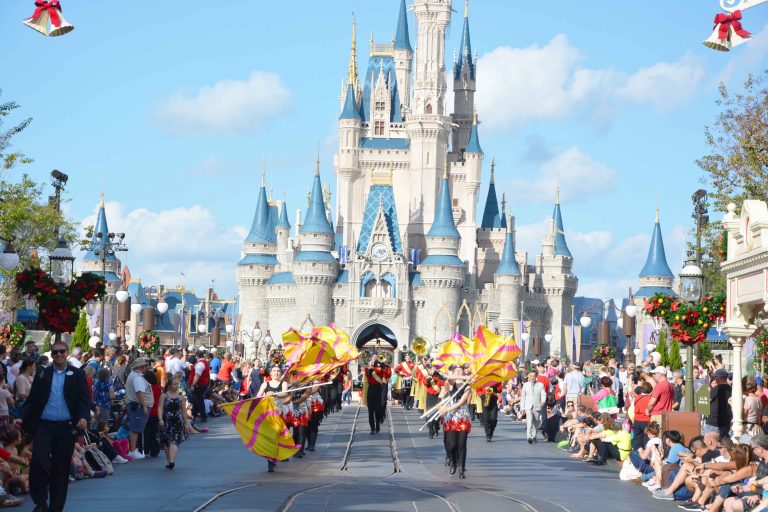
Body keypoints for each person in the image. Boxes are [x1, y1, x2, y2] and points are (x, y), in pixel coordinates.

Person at [16, 339, 91, 512]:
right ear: (52, 354)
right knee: (39, 462)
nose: (59, 355)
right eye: (55, 352)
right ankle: (40, 502)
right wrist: (22, 417)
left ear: (67, 353)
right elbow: (33, 399)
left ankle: (56, 506)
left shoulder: (77, 374)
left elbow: (84, 400)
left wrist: (84, 417)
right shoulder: (44, 373)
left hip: (66, 427)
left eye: (62, 351)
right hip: (44, 426)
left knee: (61, 467)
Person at [439, 366, 471, 478]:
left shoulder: (467, 386)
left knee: (461, 444)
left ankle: (461, 468)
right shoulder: (451, 383)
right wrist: (463, 376)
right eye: (456, 371)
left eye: (460, 371)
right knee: (452, 445)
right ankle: (453, 461)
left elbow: (462, 402)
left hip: (462, 417)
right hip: (451, 417)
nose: (458, 373)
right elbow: (448, 377)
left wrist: (446, 409)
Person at [157, 376, 191, 469]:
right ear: (170, 385)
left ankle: (172, 461)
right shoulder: (164, 395)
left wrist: (186, 422)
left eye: (178, 384)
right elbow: (160, 407)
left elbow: (184, 411)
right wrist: (160, 419)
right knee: (166, 443)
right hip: (166, 420)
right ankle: (169, 462)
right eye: (175, 384)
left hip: (177, 420)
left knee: (175, 441)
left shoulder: (181, 396)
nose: (177, 386)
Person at [124, 357, 153, 460]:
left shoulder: (134, 375)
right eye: (145, 366)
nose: (147, 368)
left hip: (135, 405)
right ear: (141, 367)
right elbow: (139, 393)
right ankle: (132, 450)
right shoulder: (137, 378)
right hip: (138, 406)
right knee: (135, 429)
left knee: (135, 428)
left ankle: (133, 450)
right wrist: (144, 406)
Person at [518, 369, 546, 444]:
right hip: (528, 406)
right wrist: (522, 408)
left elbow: (543, 394)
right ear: (528, 377)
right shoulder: (525, 385)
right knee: (529, 421)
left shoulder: (540, 385)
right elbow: (523, 397)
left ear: (536, 376)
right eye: (531, 376)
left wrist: (543, 402)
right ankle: (529, 437)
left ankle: (534, 435)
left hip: (537, 406)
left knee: (536, 422)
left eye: (534, 376)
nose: (532, 378)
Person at [705, 368, 732, 439]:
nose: (715, 378)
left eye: (715, 377)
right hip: (726, 421)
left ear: (719, 377)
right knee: (723, 444)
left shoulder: (717, 389)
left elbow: (707, 401)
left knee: (709, 442)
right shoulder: (731, 389)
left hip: (714, 421)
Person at [365, 355, 387, 435]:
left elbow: (385, 372)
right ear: (371, 359)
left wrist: (381, 364)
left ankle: (377, 424)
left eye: (375, 358)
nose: (374, 359)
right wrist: (371, 366)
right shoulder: (367, 368)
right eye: (373, 358)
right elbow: (369, 374)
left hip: (378, 389)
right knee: (370, 411)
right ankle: (372, 428)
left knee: (377, 409)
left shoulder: (379, 367)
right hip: (371, 389)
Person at [188, 351, 211, 423]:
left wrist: (193, 384)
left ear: (197, 356)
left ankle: (202, 416)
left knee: (198, 400)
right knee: (196, 400)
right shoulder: (204, 363)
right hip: (202, 384)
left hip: (198, 385)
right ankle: (195, 416)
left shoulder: (200, 364)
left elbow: (197, 375)